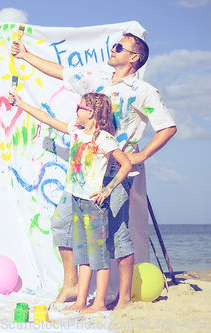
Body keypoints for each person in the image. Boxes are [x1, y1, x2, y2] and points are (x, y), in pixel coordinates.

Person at [11, 33, 177, 310]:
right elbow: (61, 72)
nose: (112, 49)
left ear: (134, 58)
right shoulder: (97, 79)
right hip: (83, 177)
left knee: (119, 234)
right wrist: (25, 55)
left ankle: (123, 297)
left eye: (119, 47)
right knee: (62, 225)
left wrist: (140, 155)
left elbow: (167, 127)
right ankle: (72, 284)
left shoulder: (143, 92)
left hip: (114, 174)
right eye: (114, 45)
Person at [8, 92, 132, 313]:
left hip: (94, 205)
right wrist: (20, 103)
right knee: (82, 253)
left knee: (99, 254)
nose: (76, 110)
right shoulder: (76, 133)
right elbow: (47, 119)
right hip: (76, 200)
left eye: (79, 107)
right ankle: (81, 301)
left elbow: (126, 165)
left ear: (90, 112)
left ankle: (100, 303)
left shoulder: (104, 138)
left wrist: (107, 189)